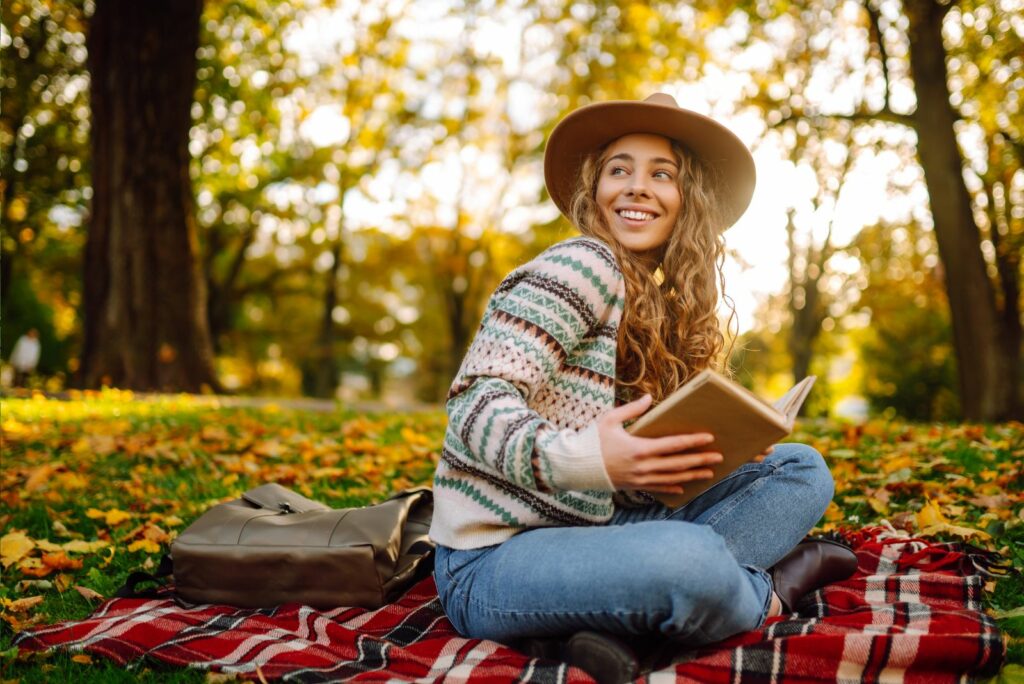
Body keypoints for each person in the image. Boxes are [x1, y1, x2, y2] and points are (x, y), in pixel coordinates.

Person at [428, 93, 855, 681]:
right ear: (594, 189)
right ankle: (768, 592)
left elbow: (619, 485)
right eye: (618, 169)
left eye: (662, 174)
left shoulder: (656, 301)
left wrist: (715, 454)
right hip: (495, 559)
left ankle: (599, 624)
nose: (636, 186)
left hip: (596, 532)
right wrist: (593, 459)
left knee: (799, 469)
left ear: (689, 201)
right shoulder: (579, 266)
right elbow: (473, 409)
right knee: (689, 562)